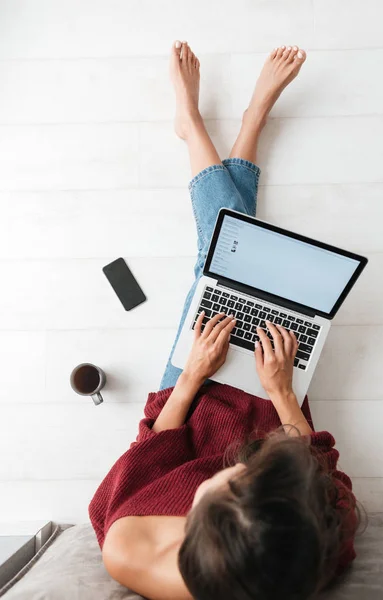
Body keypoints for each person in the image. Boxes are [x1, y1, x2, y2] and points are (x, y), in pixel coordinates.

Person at [89, 41, 359, 600]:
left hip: (185, 404)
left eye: (226, 480)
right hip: (273, 398)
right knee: (237, 265)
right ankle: (225, 124)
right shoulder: (309, 550)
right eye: (248, 472)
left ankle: (207, 124)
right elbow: (324, 478)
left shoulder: (129, 550)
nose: (236, 462)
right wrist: (282, 392)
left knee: (220, 261)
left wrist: (192, 373)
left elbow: (149, 453)